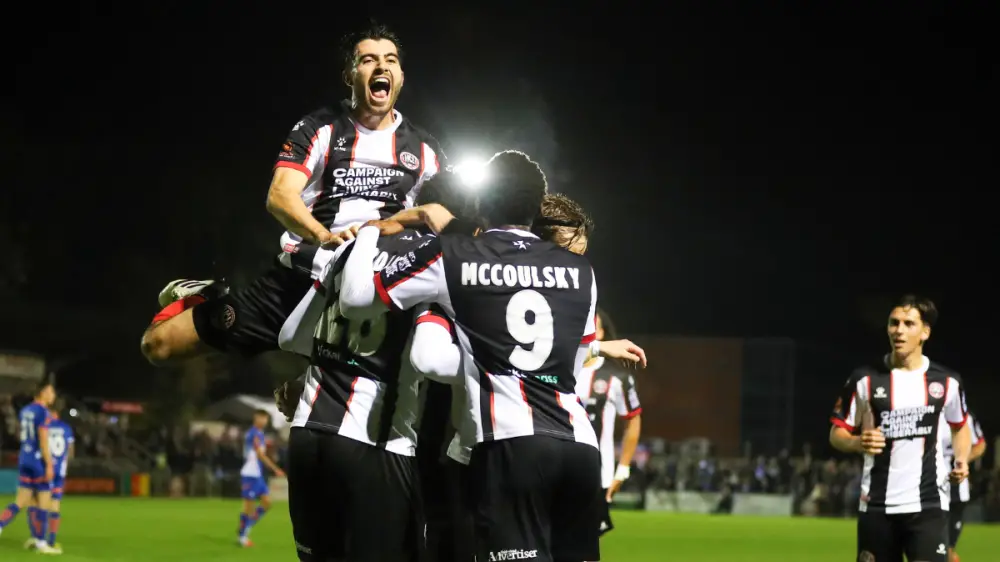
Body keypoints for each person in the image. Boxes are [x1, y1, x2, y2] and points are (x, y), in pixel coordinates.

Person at [337, 150, 609, 562]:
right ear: (538, 206)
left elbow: (356, 301)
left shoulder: (454, 254)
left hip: (511, 447)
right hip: (581, 449)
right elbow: (571, 368)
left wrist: (370, 234)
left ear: (482, 204)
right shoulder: (582, 271)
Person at [140, 21, 444, 366]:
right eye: (368, 60)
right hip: (298, 283)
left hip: (380, 287)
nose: (381, 67)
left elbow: (440, 217)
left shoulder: (425, 149)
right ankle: (205, 296)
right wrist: (323, 235)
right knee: (159, 346)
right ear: (349, 75)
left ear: (401, 76)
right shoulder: (320, 127)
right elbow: (280, 196)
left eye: (390, 60)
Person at [277, 170, 478, 562]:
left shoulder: (353, 247)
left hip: (307, 435)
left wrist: (314, 373)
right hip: (376, 445)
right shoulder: (439, 262)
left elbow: (292, 338)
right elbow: (431, 354)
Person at [829, 295, 971, 562]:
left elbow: (960, 426)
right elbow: (837, 433)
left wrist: (962, 459)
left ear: (925, 332)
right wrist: (857, 443)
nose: (899, 330)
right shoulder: (864, 379)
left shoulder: (947, 382)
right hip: (877, 506)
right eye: (894, 323)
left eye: (908, 323)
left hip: (929, 504)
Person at [575, 308, 643, 536]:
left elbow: (633, 420)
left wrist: (622, 469)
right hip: (554, 471)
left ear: (601, 333)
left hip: (598, 475)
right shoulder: (557, 371)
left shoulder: (617, 377)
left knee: (586, 549)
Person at [0, 381, 59, 554]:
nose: (53, 395)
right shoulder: (43, 412)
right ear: (42, 393)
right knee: (44, 501)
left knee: (21, 500)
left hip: (24, 458)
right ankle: (41, 543)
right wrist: (48, 464)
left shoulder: (25, 410)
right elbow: (42, 438)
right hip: (37, 460)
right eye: (50, 392)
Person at [940, 410, 987, 562]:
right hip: (927, 489)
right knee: (935, 548)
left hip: (956, 492)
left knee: (946, 550)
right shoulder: (924, 410)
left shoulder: (965, 417)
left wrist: (961, 461)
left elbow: (980, 445)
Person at [25, 408, 73, 554]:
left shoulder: (42, 427)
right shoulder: (66, 428)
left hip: (44, 469)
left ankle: (37, 538)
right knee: (55, 504)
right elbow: (70, 451)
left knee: (34, 502)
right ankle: (51, 541)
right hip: (60, 471)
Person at [238, 410, 284, 547]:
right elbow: (259, 455)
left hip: (257, 474)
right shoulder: (254, 434)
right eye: (261, 418)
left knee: (267, 502)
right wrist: (275, 469)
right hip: (249, 474)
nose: (264, 421)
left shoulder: (260, 434)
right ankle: (242, 536)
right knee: (249, 507)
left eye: (265, 418)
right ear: (255, 418)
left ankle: (246, 527)